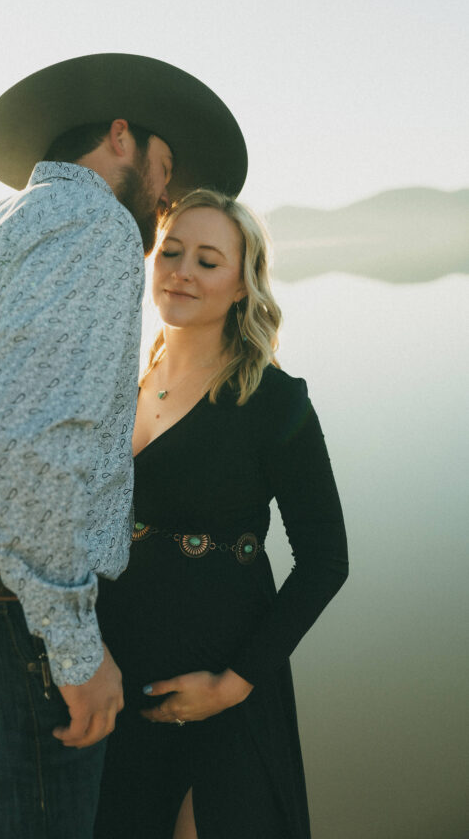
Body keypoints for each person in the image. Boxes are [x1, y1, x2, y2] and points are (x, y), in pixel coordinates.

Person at [0, 53, 248, 839]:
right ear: (120, 136)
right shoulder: (94, 225)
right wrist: (74, 650)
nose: (166, 196)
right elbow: (32, 445)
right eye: (165, 170)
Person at [94, 189, 349, 839]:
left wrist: (234, 684)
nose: (181, 270)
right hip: (120, 670)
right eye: (171, 251)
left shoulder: (273, 399)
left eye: (207, 260)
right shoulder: (120, 381)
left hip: (222, 669)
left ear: (242, 285)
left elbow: (324, 559)